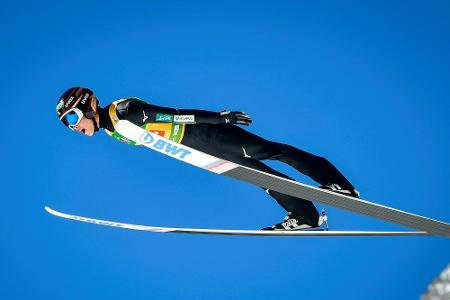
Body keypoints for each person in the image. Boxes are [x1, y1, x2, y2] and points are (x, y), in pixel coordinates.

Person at [56, 87, 360, 231]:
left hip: (207, 136)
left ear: (87, 105)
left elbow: (173, 116)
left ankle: (337, 184)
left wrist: (219, 118)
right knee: (263, 180)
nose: (73, 127)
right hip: (200, 150)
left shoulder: (122, 113)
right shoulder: (113, 131)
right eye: (66, 124)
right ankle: (306, 217)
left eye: (72, 117)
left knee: (270, 151)